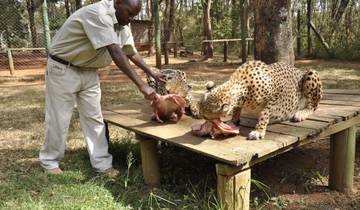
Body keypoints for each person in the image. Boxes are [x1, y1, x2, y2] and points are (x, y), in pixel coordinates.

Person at [39, 0, 164, 175]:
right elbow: (115, 51)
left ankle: (102, 164)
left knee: (94, 118)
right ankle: (49, 162)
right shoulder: (98, 14)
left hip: (89, 71)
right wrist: (141, 85)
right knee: (59, 118)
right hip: (63, 68)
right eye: (129, 14)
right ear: (118, 3)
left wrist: (151, 72)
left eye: (134, 16)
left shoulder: (121, 21)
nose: (130, 20)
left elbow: (130, 51)